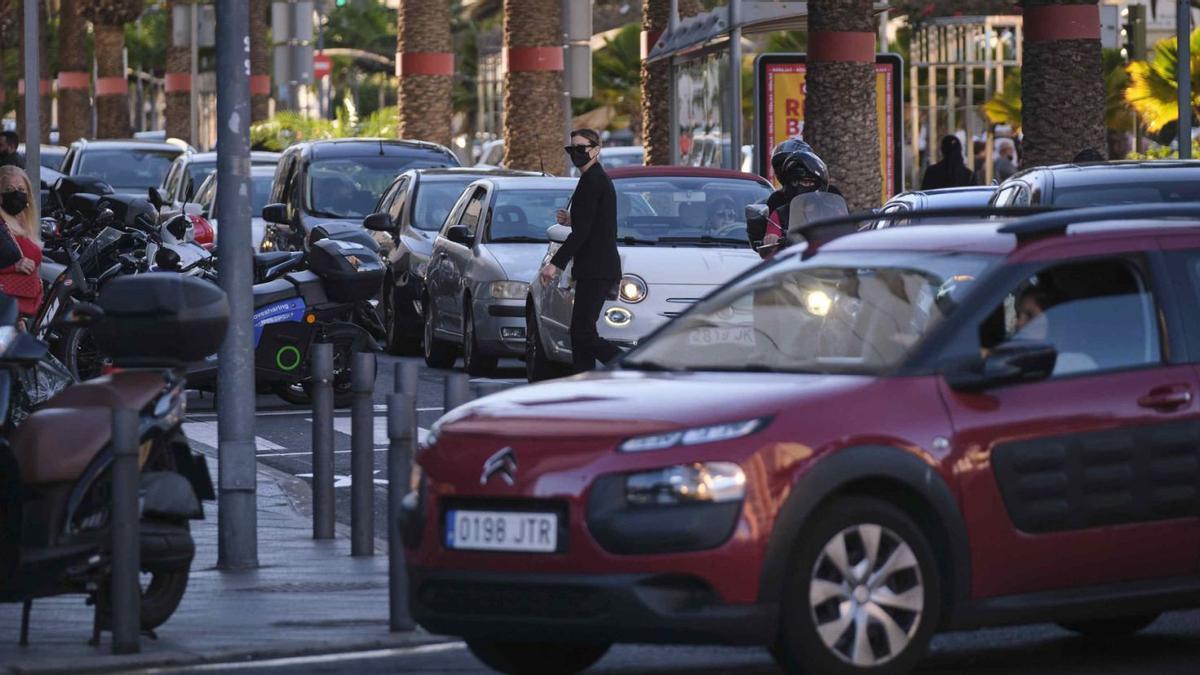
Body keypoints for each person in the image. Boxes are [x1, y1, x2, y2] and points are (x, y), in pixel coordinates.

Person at [539, 128, 622, 373]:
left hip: (596, 268)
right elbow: (595, 222)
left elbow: (584, 233)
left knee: (583, 332)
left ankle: (628, 366)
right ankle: (583, 381)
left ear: (595, 150)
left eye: (581, 148)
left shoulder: (593, 180)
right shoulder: (593, 179)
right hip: (595, 267)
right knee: (581, 332)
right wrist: (572, 220)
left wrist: (555, 264)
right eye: (571, 149)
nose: (576, 153)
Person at [757, 142, 831, 255]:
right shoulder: (780, 210)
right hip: (792, 259)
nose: (801, 186)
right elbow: (771, 237)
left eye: (809, 181)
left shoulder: (831, 205)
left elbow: (845, 228)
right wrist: (771, 239)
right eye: (797, 181)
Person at [0, 166, 43, 327]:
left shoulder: (25, 223)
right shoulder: (2, 226)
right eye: (9, 189)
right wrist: (13, 267)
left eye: (20, 189)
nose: (16, 194)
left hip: (19, 312)